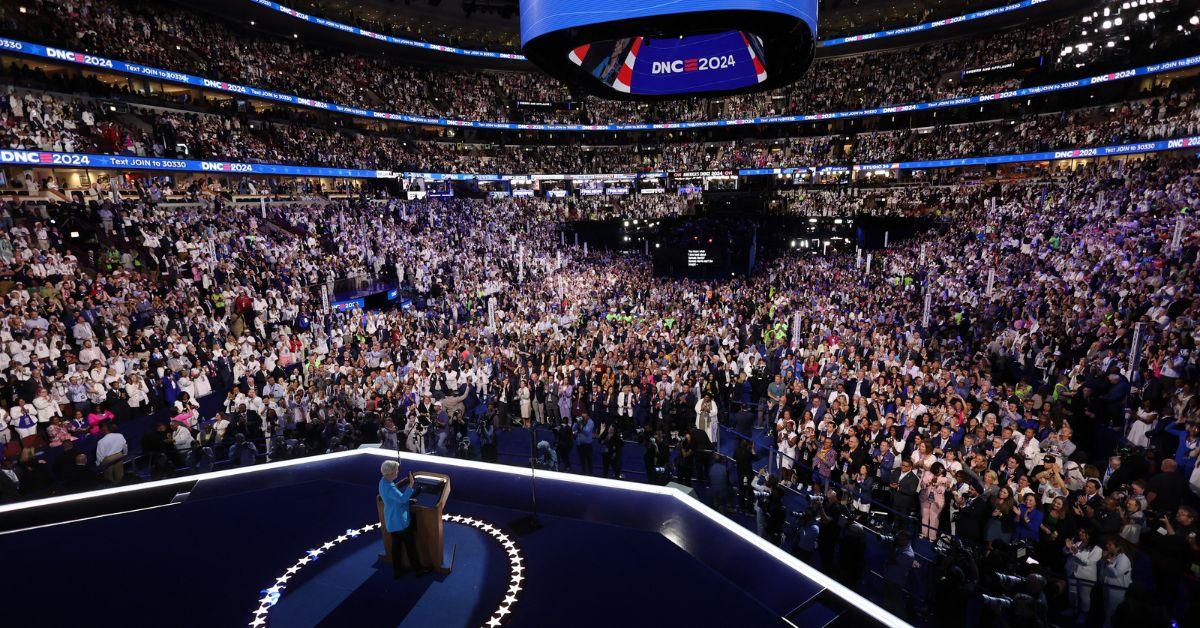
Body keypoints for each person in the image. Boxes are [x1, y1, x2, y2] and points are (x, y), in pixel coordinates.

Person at [378, 460, 424, 578]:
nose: (398, 471)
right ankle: (418, 571)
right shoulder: (390, 487)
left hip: (392, 520)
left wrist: (407, 499)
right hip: (399, 521)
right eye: (396, 470)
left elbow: (395, 499)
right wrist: (411, 485)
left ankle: (397, 571)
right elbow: (402, 499)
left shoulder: (383, 482)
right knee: (410, 546)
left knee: (396, 546)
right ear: (391, 472)